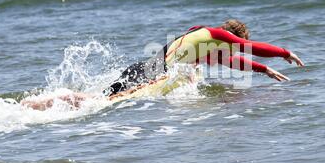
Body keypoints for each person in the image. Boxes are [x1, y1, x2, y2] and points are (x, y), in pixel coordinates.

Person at [22, 19, 304, 110]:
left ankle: (43, 102)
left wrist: (263, 70)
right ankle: (54, 98)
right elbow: (246, 49)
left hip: (143, 68)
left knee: (99, 100)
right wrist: (283, 52)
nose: (231, 47)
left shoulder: (201, 39)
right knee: (98, 103)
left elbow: (232, 60)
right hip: (151, 74)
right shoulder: (216, 36)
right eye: (234, 42)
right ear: (232, 36)